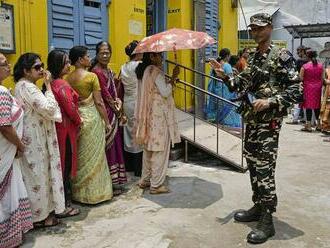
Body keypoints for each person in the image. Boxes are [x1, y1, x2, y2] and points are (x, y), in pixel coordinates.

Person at [211, 13, 301, 244]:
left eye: (259, 28)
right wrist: (224, 76)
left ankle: (267, 219)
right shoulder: (253, 56)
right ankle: (258, 207)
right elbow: (240, 85)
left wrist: (271, 101)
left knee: (264, 168)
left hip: (268, 122)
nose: (255, 32)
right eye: (252, 28)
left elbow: (296, 90)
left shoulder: (282, 56)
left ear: (269, 28)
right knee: (252, 161)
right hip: (252, 119)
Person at [14, 53, 65, 227]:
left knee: (34, 177)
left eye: (42, 65)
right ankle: (41, 218)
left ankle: (38, 216)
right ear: (25, 70)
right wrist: (49, 86)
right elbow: (49, 108)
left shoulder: (20, 86)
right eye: (37, 67)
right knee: (38, 177)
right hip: (35, 140)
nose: (42, 70)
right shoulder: (28, 87)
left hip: (32, 137)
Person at [67, 46, 113, 204]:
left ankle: (79, 194)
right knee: (96, 157)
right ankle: (96, 194)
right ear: (80, 60)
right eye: (87, 56)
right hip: (92, 118)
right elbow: (99, 102)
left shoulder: (68, 78)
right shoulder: (91, 76)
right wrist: (107, 122)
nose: (89, 58)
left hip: (78, 119)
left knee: (81, 156)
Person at [135, 52, 181, 194]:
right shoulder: (156, 72)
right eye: (159, 55)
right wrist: (173, 77)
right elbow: (166, 92)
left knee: (149, 147)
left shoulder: (146, 71)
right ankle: (156, 185)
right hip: (159, 115)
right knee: (160, 148)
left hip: (150, 113)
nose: (162, 58)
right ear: (152, 57)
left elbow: (157, 89)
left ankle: (146, 179)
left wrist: (169, 80)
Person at [0, 53, 33, 247]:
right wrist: (20, 146)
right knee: (7, 195)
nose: (8, 66)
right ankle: (7, 236)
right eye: (4, 64)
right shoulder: (2, 92)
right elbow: (4, 126)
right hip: (6, 151)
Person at [91, 41, 127, 195]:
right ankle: (109, 183)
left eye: (107, 52)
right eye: (102, 53)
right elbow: (104, 94)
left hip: (114, 110)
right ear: (97, 54)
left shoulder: (108, 70)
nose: (105, 55)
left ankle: (116, 181)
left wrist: (118, 103)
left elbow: (113, 90)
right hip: (105, 112)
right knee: (109, 147)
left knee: (116, 145)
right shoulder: (96, 72)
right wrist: (117, 110)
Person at [48, 49, 81, 217]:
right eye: (66, 62)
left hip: (58, 129)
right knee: (66, 165)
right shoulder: (61, 84)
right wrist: (80, 121)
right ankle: (65, 205)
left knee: (60, 165)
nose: (69, 65)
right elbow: (71, 108)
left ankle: (59, 203)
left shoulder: (52, 83)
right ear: (58, 65)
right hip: (66, 131)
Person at [121, 40, 143, 177]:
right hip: (138, 101)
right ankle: (138, 168)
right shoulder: (140, 65)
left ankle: (128, 164)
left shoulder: (123, 66)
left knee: (128, 132)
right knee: (139, 133)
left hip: (127, 101)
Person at [205, 48, 242, 128]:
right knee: (229, 108)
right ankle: (228, 124)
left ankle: (219, 122)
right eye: (229, 56)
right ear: (227, 56)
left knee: (219, 107)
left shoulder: (215, 65)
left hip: (217, 91)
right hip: (226, 91)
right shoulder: (227, 66)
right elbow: (231, 80)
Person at [300, 49, 324, 132]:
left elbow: (301, 78)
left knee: (308, 106)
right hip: (318, 88)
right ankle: (318, 125)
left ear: (307, 56)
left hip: (308, 87)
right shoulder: (321, 66)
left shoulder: (305, 66)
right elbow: (322, 78)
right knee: (317, 106)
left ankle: (309, 126)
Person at [287, 46, 309, 125]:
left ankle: (295, 119)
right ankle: (305, 119)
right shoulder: (311, 61)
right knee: (306, 102)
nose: (297, 53)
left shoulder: (299, 61)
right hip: (309, 84)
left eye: (298, 51)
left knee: (297, 101)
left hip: (300, 83)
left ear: (303, 52)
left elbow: (295, 72)